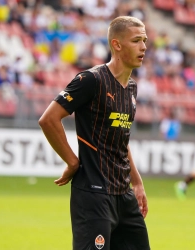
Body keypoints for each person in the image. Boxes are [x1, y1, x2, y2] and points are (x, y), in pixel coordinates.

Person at [38, 16, 150, 250]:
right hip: (93, 194)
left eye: (145, 40)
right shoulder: (91, 79)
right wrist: (72, 162)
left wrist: (137, 183)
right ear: (117, 45)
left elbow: (121, 137)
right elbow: (49, 119)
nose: (144, 47)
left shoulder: (131, 87)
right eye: (136, 41)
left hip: (123, 194)